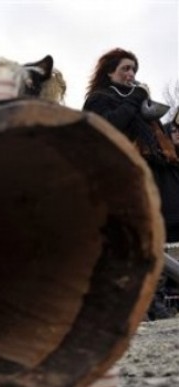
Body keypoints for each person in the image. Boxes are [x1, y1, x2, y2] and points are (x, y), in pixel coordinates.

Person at [83, 48, 176, 320]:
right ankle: (138, 303)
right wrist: (134, 101)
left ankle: (155, 299)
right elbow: (106, 129)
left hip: (151, 176)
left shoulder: (135, 98)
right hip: (118, 178)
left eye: (134, 69)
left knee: (155, 238)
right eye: (125, 68)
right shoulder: (98, 99)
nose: (131, 74)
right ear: (109, 71)